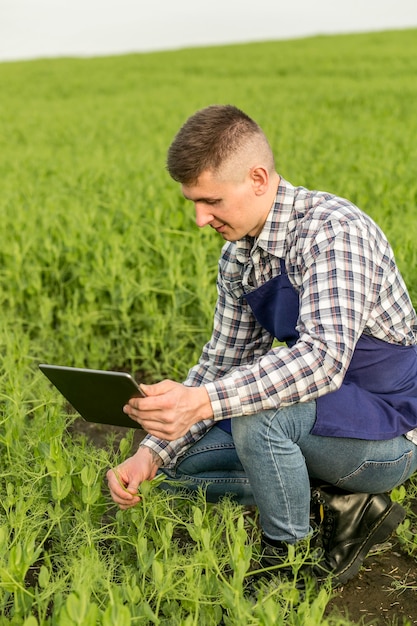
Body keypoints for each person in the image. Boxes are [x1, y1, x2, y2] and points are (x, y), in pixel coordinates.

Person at [107, 104, 417, 585]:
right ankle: (337, 501)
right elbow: (221, 362)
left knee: (258, 417)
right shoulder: (238, 259)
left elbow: (321, 361)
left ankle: (285, 559)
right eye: (192, 202)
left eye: (210, 201)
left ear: (257, 178)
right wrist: (151, 452)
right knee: (175, 474)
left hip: (387, 428)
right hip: (317, 415)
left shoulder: (333, 231)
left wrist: (204, 402)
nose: (199, 218)